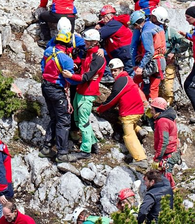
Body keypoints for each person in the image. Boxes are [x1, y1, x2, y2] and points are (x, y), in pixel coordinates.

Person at [96, 58, 149, 168]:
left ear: (121, 69)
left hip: (130, 112)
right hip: (137, 110)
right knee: (121, 120)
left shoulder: (121, 81)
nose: (113, 73)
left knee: (128, 135)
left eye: (116, 70)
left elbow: (112, 99)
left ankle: (141, 159)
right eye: (112, 71)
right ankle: (139, 130)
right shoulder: (126, 78)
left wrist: (100, 109)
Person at [63, 28, 106, 159]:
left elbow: (86, 77)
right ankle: (93, 143)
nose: (85, 44)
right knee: (79, 118)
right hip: (82, 91)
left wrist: (71, 76)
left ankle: (86, 150)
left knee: (83, 121)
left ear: (94, 42)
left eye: (88, 43)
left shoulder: (97, 58)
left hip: (87, 92)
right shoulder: (90, 54)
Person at [39, 32, 76, 161]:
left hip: (46, 87)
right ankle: (62, 153)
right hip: (57, 90)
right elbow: (71, 79)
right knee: (63, 121)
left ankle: (47, 147)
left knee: (54, 118)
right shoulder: (66, 59)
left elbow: (43, 67)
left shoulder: (48, 51)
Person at [156, 7, 191, 105]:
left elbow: (185, 43)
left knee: (167, 88)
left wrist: (174, 52)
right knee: (156, 87)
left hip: (168, 63)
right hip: (155, 64)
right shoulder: (151, 31)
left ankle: (167, 106)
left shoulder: (170, 32)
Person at [130, 10, 166, 101]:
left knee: (135, 83)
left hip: (152, 63)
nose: (135, 28)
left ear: (138, 24)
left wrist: (141, 66)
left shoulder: (146, 32)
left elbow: (149, 52)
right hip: (161, 62)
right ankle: (154, 109)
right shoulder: (158, 28)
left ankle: (140, 104)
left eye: (135, 25)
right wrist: (142, 55)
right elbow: (157, 46)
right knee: (154, 88)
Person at [150, 97, 180, 189]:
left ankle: (169, 193)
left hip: (168, 153)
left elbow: (164, 141)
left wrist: (157, 158)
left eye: (152, 109)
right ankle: (172, 191)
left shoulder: (162, 121)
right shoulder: (167, 118)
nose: (151, 111)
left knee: (165, 175)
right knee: (166, 174)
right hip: (171, 152)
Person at [96, 5, 133, 75]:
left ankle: (108, 75)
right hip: (125, 52)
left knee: (129, 75)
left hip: (124, 54)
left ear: (109, 16)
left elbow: (98, 35)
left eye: (103, 17)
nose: (102, 19)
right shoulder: (116, 22)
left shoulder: (113, 24)